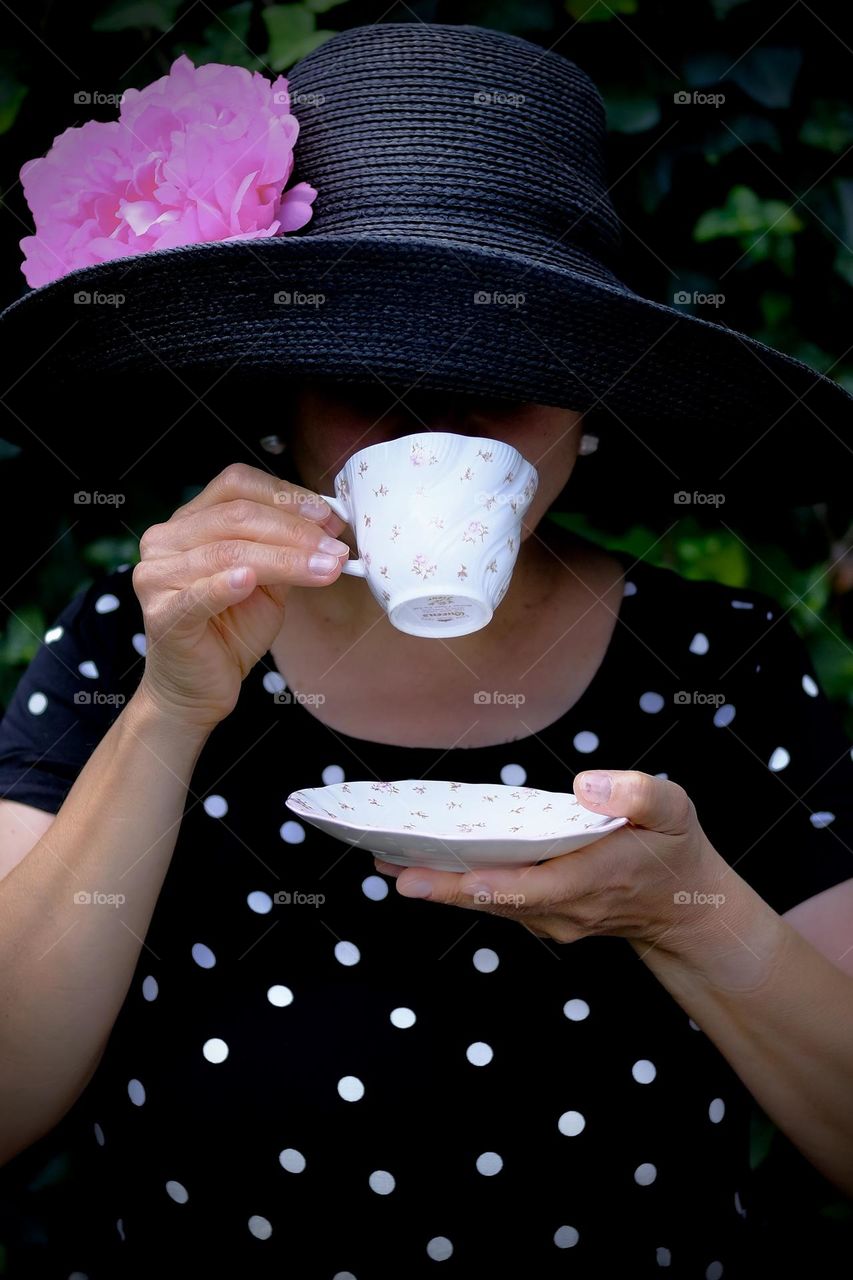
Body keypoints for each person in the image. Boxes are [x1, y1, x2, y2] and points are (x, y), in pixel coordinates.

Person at [0, 21, 851, 1280]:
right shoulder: (134, 642)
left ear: (587, 409)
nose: (437, 424)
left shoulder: (715, 660)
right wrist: (170, 711)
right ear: (278, 396)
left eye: (502, 372)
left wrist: (685, 911)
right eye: (368, 372)